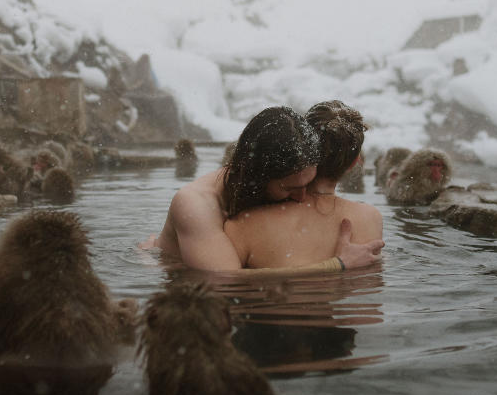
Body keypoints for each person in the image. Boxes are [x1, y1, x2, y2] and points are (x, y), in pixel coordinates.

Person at [146, 105, 383, 272]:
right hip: (182, 294)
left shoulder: (269, 185)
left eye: (307, 184)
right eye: (291, 188)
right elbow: (227, 281)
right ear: (259, 176)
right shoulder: (195, 204)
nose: (302, 198)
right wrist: (337, 264)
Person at [224, 100, 383, 269]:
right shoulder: (371, 218)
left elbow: (220, 281)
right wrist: (336, 266)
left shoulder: (244, 226)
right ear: (354, 163)